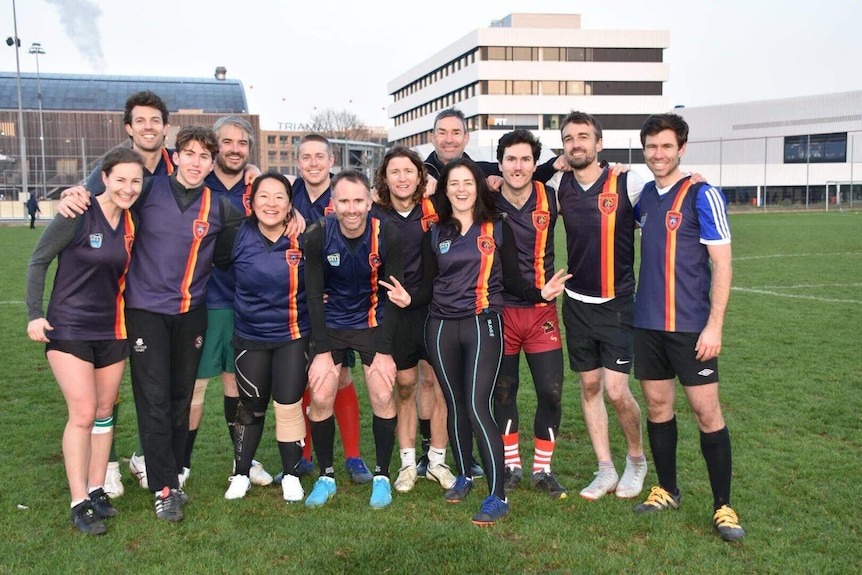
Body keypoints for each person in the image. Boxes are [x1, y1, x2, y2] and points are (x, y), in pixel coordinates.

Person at [415, 158, 569, 526]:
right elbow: (425, 285)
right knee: (453, 402)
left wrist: (539, 292)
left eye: (468, 182)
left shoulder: (497, 228)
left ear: (478, 186)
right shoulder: (435, 233)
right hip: (440, 327)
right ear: (446, 189)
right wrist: (409, 298)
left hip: (482, 323)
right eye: (454, 183)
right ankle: (467, 474)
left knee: (476, 403)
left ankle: (498, 495)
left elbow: (514, 281)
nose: (461, 189)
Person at [632, 113, 744, 542]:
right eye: (651, 147)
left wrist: (714, 326)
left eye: (666, 147)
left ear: (681, 148)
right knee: (659, 409)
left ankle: (723, 506)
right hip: (647, 324)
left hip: (692, 328)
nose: (658, 155)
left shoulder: (702, 194)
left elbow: (723, 263)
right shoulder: (644, 196)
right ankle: (668, 489)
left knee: (706, 412)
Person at [26, 147, 144, 534]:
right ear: (104, 179)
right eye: (121, 180)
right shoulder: (77, 212)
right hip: (69, 329)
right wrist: (34, 314)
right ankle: (79, 501)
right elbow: (39, 259)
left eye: (135, 181)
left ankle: (96, 489)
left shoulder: (131, 223)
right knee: (82, 412)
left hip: (112, 330)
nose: (128, 188)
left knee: (105, 410)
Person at [551, 111, 648, 501]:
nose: (577, 143)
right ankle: (605, 468)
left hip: (618, 304)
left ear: (599, 143)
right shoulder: (559, 186)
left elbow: (665, 204)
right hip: (576, 304)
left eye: (583, 137)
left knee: (617, 391)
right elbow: (518, 187)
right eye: (570, 138)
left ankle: (637, 460)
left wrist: (695, 183)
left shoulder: (629, 182)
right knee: (589, 385)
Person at [302, 169, 406, 509]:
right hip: (331, 326)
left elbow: (394, 294)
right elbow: (314, 296)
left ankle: (381, 476)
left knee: (381, 392)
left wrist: (386, 350)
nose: (351, 208)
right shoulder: (317, 235)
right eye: (344, 201)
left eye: (358, 200)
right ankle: (326, 476)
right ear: (333, 203)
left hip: (371, 323)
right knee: (320, 396)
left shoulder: (387, 234)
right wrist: (319, 350)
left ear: (370, 200)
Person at [184, 116, 273, 489]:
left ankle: (244, 460)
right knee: (195, 385)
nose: (235, 148)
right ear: (214, 146)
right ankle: (179, 461)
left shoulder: (259, 188)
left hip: (247, 305)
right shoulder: (196, 183)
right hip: (202, 303)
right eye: (227, 142)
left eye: (242, 143)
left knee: (238, 385)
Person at [212, 172, 308, 502]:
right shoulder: (235, 234)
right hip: (249, 336)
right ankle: (240, 473)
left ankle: (292, 475)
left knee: (288, 405)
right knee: (250, 407)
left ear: (290, 205)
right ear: (251, 202)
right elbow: (213, 265)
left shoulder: (304, 236)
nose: (271, 203)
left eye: (279, 197)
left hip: (292, 335)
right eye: (263, 196)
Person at [287, 134, 372, 485]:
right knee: (304, 377)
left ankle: (353, 456)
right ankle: (305, 454)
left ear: (331, 159)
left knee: (339, 377)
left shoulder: (342, 196)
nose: (312, 163)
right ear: (297, 163)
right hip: (292, 299)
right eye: (306, 157)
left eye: (319, 156)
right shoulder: (287, 192)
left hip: (335, 305)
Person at [370, 146, 456, 492]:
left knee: (436, 385)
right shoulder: (374, 213)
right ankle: (407, 463)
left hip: (434, 309)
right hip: (394, 313)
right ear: (384, 178)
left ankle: (437, 460)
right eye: (395, 172)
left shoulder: (436, 209)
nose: (402, 178)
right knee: (404, 386)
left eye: (409, 171)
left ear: (421, 176)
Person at [490, 130, 568, 499]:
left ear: (535, 165)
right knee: (504, 390)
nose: (517, 166)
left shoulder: (551, 197)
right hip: (500, 311)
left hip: (541, 313)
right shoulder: (484, 201)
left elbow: (596, 197)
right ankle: (509, 464)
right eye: (510, 159)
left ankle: (543, 469)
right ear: (500, 163)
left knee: (550, 393)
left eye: (525, 160)